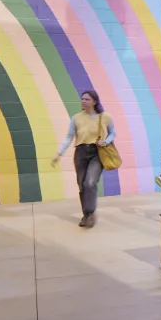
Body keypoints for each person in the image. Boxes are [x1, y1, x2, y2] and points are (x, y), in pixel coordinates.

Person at [53, 90, 115, 228]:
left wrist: (106, 141)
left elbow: (112, 133)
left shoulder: (105, 117)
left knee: (90, 183)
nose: (83, 101)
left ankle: (90, 213)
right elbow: (69, 137)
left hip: (97, 153)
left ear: (94, 101)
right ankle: (86, 215)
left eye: (87, 99)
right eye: (82, 99)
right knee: (82, 186)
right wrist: (59, 153)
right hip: (80, 153)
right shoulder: (76, 118)